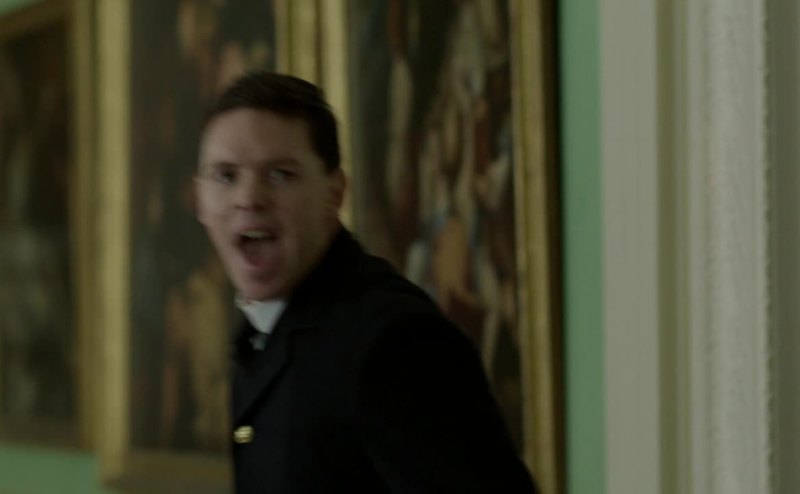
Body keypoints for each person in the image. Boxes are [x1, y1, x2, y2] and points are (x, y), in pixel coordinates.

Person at [194, 70, 538, 493]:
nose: (248, 198)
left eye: (281, 174)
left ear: (334, 194)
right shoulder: (260, 335)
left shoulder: (395, 340)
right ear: (200, 201)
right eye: (226, 175)